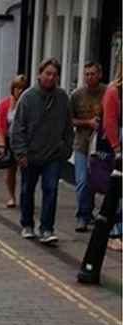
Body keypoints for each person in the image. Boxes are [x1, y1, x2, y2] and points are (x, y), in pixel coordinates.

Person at [11, 58, 73, 245]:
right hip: (30, 155)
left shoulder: (63, 98)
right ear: (39, 74)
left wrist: (66, 150)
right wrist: (20, 153)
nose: (50, 77)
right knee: (27, 190)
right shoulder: (27, 98)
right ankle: (27, 224)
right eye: (47, 73)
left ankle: (47, 228)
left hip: (53, 155)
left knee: (51, 190)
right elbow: (18, 128)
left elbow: (68, 128)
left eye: (54, 75)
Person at [71, 61, 107, 232]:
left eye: (92, 74)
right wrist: (87, 122)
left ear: (99, 74)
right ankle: (82, 217)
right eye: (86, 74)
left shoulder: (108, 93)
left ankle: (90, 211)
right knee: (82, 181)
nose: (89, 77)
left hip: (101, 146)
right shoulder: (77, 95)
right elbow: (69, 120)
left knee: (96, 181)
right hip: (81, 144)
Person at [0, 74, 28, 208]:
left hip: (25, 141)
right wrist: (2, 142)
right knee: (10, 170)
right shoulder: (5, 104)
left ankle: (25, 197)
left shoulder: (28, 104)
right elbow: (0, 124)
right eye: (17, 88)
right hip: (10, 140)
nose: (19, 91)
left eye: (22, 88)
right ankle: (12, 197)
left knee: (26, 170)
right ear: (12, 89)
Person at [102, 62, 122, 252]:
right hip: (119, 146)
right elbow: (109, 122)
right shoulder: (114, 91)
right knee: (118, 192)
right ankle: (114, 234)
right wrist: (117, 148)